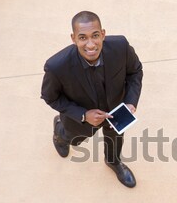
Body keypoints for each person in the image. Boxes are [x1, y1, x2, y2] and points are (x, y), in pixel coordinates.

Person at [41, 11, 143, 188]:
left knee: (116, 140)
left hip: (116, 114)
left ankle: (113, 161)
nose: (90, 44)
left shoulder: (121, 47)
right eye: (82, 37)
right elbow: (50, 97)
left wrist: (130, 102)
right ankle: (59, 133)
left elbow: (135, 71)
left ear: (103, 34)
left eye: (95, 36)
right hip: (80, 121)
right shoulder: (56, 66)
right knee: (73, 139)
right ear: (73, 38)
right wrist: (82, 115)